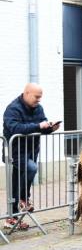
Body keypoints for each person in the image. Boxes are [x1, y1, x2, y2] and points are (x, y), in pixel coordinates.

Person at [3, 83, 60, 229]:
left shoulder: (38, 108)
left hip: (31, 150)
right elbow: (15, 128)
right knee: (31, 168)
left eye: (40, 98)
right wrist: (39, 126)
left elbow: (42, 127)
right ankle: (23, 200)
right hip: (15, 151)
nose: (38, 100)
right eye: (36, 97)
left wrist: (50, 128)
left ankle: (13, 217)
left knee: (17, 180)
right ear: (27, 93)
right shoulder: (13, 109)